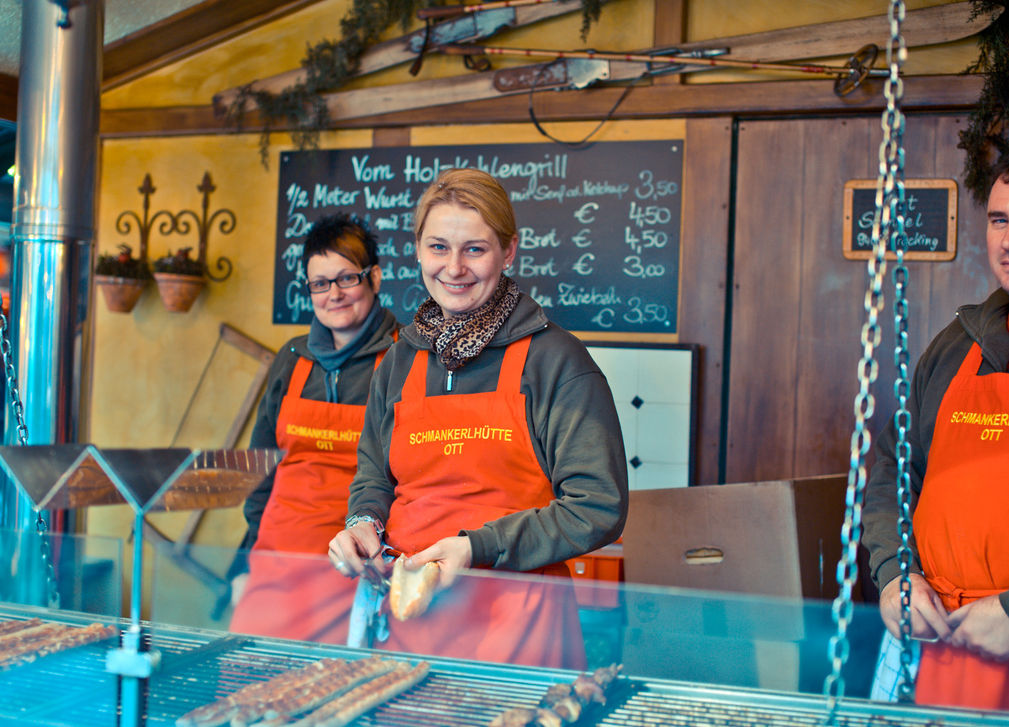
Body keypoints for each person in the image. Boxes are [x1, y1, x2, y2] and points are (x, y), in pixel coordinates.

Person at [327, 168, 628, 669]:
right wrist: (363, 522)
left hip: (518, 628)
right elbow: (375, 475)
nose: (454, 268)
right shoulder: (400, 359)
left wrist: (478, 547)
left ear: (509, 251)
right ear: (418, 250)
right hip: (408, 628)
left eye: (475, 249)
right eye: (439, 247)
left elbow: (598, 506)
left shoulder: (556, 361)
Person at [862, 157, 1009, 710]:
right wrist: (896, 573)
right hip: (938, 641)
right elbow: (897, 472)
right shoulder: (954, 345)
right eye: (999, 221)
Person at [229, 212, 399, 643]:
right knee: (247, 685)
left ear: (374, 278)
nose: (334, 295)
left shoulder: (405, 358)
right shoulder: (291, 358)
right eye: (320, 284)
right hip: (277, 562)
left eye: (347, 279)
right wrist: (244, 563)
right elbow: (260, 468)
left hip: (359, 564)